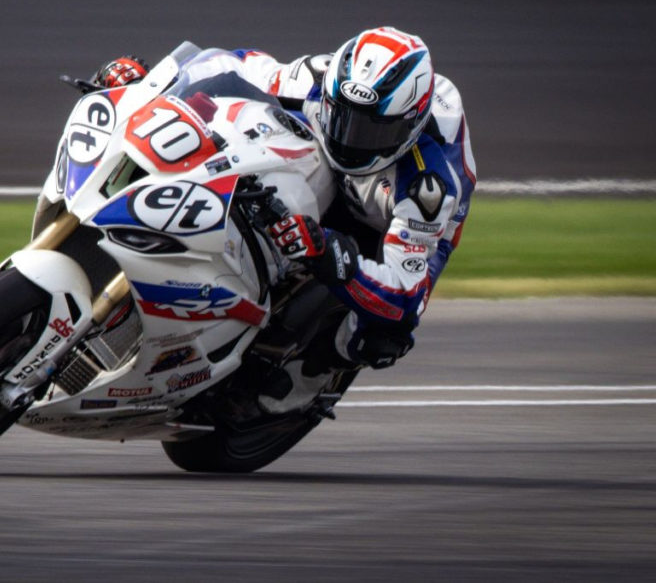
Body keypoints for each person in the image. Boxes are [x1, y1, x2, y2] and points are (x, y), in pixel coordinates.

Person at [91, 27, 477, 413]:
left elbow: (404, 293)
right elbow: (226, 64)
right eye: (343, 117)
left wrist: (332, 255)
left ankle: (312, 376)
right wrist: (147, 85)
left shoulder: (431, 188)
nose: (351, 137)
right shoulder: (315, 78)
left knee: (381, 333)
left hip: (391, 218)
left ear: (407, 128)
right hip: (324, 161)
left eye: (372, 130)